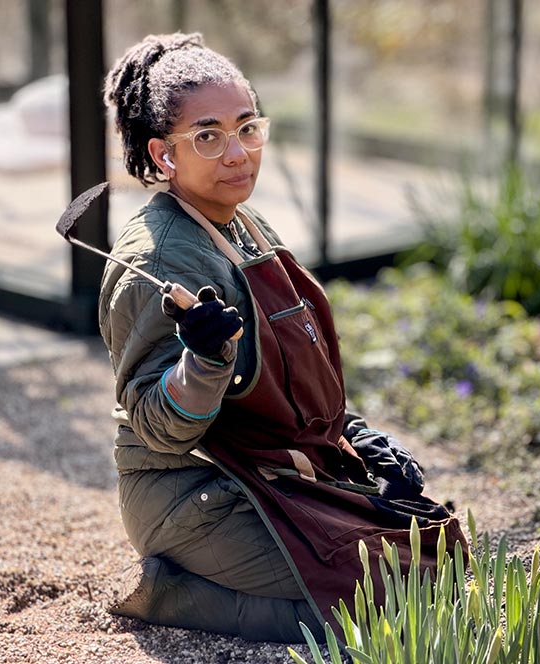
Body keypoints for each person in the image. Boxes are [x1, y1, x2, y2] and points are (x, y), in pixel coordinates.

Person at [97, 33, 466, 643]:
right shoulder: (159, 260)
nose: (237, 153)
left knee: (437, 553)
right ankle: (173, 594)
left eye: (247, 128)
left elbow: (297, 371)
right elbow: (161, 428)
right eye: (208, 136)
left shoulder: (240, 219)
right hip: (197, 492)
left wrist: (354, 435)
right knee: (386, 606)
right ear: (164, 155)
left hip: (276, 466)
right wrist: (204, 359)